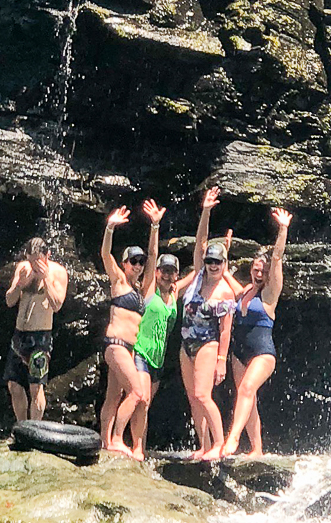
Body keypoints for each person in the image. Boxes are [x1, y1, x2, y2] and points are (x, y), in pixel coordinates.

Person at [222, 208, 292, 459]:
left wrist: (282, 230)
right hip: (239, 352)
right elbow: (223, 274)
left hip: (262, 352)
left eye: (262, 270)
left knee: (246, 389)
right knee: (246, 398)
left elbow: (276, 259)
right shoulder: (244, 292)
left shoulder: (269, 294)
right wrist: (225, 252)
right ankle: (256, 449)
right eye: (256, 269)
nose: (259, 273)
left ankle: (232, 440)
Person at [178, 188, 238, 461]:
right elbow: (200, 242)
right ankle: (203, 446)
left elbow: (226, 329)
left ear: (225, 264)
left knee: (203, 394)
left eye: (218, 262)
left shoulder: (225, 291)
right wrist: (205, 211)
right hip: (186, 344)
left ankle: (219, 443)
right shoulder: (198, 276)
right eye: (210, 261)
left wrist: (222, 360)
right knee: (192, 398)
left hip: (207, 344)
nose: (213, 265)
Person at [99, 201, 163, 455]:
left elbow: (154, 256)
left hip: (128, 349)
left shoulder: (140, 289)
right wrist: (110, 228)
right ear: (125, 263)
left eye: (140, 262)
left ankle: (105, 442)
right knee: (137, 393)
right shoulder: (118, 281)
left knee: (114, 396)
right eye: (133, 261)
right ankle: (116, 438)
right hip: (115, 346)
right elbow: (105, 255)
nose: (137, 265)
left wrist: (155, 226)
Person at [112, 248, 179, 461]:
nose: (167, 275)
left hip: (158, 358)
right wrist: (155, 227)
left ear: (176, 274)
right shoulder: (150, 290)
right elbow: (152, 254)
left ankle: (139, 446)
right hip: (141, 351)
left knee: (145, 403)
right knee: (139, 397)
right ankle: (121, 439)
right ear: (157, 272)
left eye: (171, 271)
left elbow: (198, 270)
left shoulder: (175, 294)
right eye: (163, 270)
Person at [4, 238, 68, 422]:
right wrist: (19, 285)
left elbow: (57, 305)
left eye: (38, 260)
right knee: (13, 385)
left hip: (40, 337)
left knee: (36, 386)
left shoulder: (58, 273)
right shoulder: (23, 268)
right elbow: (9, 301)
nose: (34, 264)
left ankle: (36, 427)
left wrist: (45, 277)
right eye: (31, 260)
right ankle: (22, 426)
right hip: (19, 335)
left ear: (47, 255)